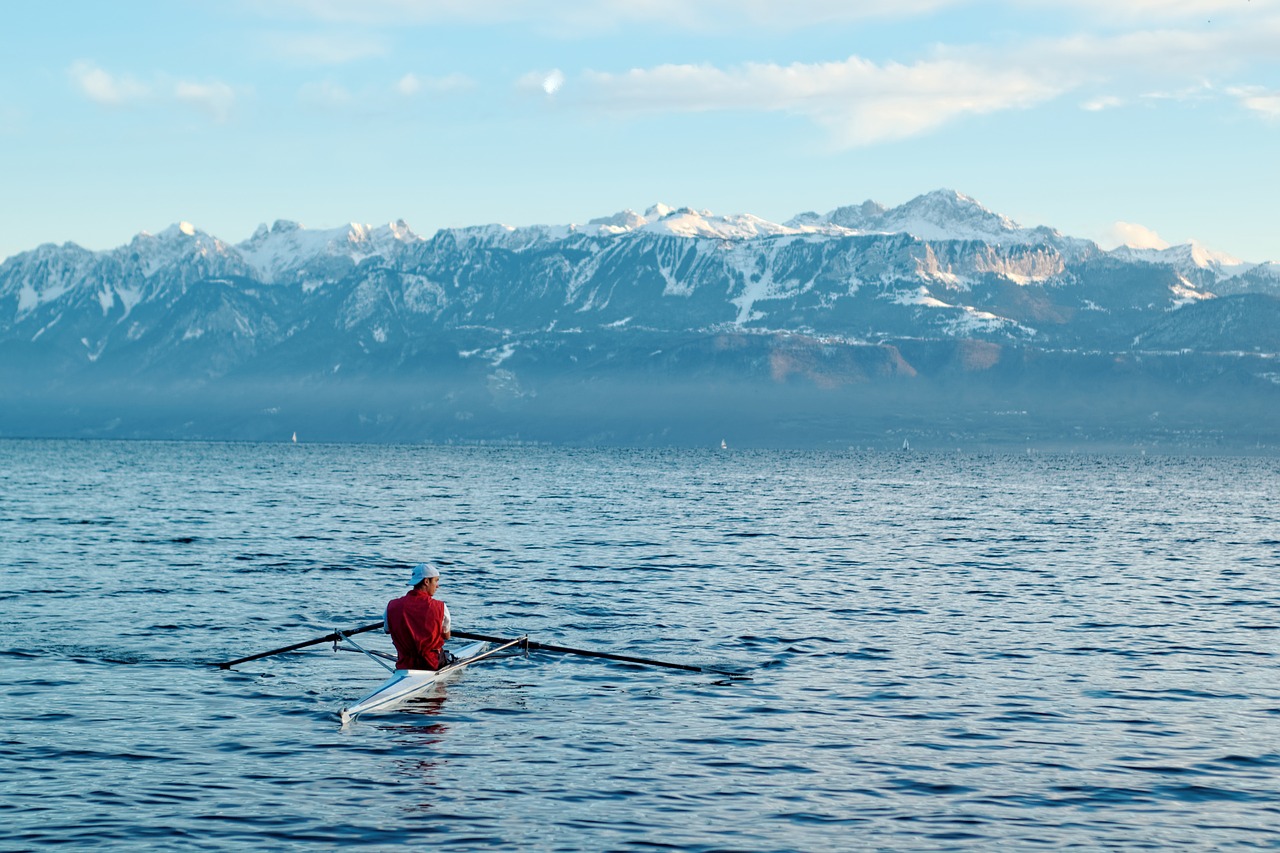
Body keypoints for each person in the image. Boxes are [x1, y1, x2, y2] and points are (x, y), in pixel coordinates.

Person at [384, 562, 453, 670]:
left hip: (404, 664)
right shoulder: (441, 607)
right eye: (436, 580)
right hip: (431, 664)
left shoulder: (391, 606)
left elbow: (387, 630)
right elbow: (447, 636)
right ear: (426, 581)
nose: (437, 586)